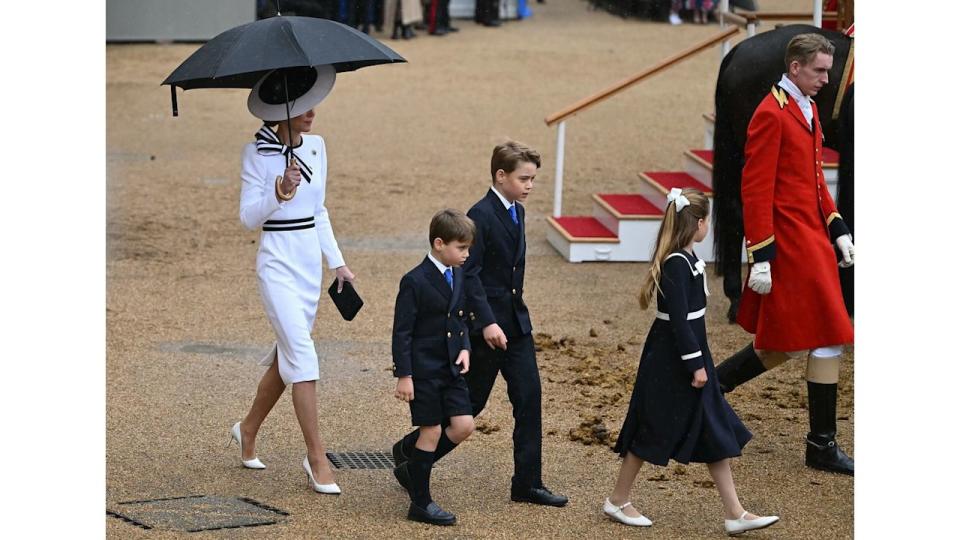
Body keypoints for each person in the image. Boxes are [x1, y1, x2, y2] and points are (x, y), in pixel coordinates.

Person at [392, 141, 568, 507]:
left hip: (516, 326)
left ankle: (527, 483)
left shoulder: (517, 211)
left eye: (533, 179)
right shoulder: (481, 214)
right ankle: (411, 456)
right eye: (524, 178)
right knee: (470, 406)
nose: (530, 186)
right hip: (485, 332)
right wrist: (486, 323)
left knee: (529, 399)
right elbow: (468, 275)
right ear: (500, 176)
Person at [713, 33, 856, 476]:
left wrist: (839, 228)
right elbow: (754, 190)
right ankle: (709, 388)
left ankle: (821, 442)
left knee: (818, 338)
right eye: (819, 71)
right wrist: (759, 255)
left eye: (828, 71)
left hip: (812, 238)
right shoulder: (770, 114)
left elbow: (814, 181)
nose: (826, 80)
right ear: (795, 68)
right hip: (788, 244)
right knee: (790, 343)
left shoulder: (808, 107)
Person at [605, 188, 779, 536]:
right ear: (699, 223)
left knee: (713, 428)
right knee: (650, 427)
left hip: (686, 356)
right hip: (672, 361)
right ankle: (618, 500)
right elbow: (681, 322)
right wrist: (696, 365)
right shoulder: (676, 264)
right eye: (707, 222)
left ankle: (735, 513)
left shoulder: (685, 258)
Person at [229, 65, 356, 495]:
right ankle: (316, 457)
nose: (311, 112)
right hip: (276, 262)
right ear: (278, 110)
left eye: (312, 101)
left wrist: (337, 263)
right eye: (301, 104)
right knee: (302, 355)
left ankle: (247, 429)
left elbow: (319, 210)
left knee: (289, 356)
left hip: (308, 264)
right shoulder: (256, 154)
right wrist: (278, 192)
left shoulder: (318, 146)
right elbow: (248, 218)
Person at [391, 209, 477, 525]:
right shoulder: (415, 280)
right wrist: (404, 375)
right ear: (439, 243)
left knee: (464, 425)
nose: (466, 254)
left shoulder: (458, 274)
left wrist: (465, 348)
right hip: (424, 371)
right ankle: (421, 503)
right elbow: (402, 332)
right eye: (461, 248)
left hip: (451, 369)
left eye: (468, 248)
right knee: (431, 430)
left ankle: (410, 469)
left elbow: (460, 318)